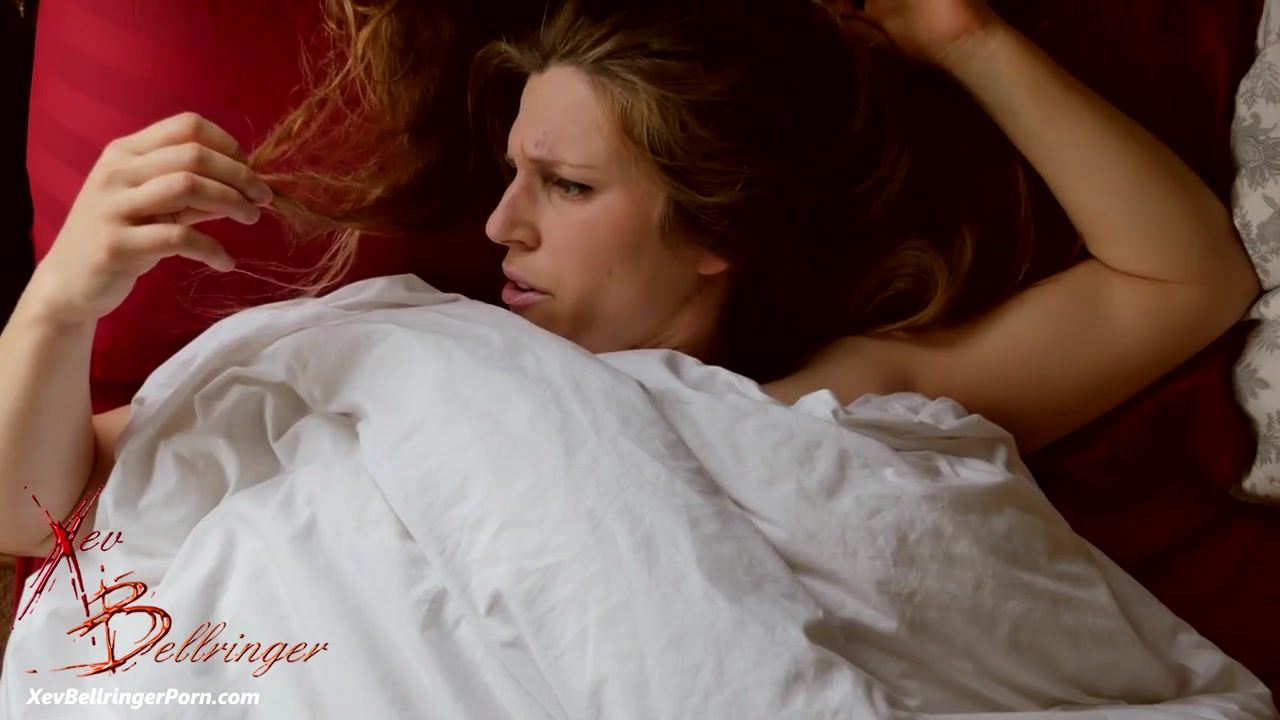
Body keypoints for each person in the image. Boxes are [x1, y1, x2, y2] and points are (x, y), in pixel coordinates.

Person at [0, 0, 1257, 567]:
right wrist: (61, 299)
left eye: (564, 186)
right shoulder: (389, 361)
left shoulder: (828, 406)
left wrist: (964, 37)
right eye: (513, 175)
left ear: (721, 228)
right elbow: (27, 516)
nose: (499, 226)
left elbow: (1182, 280)